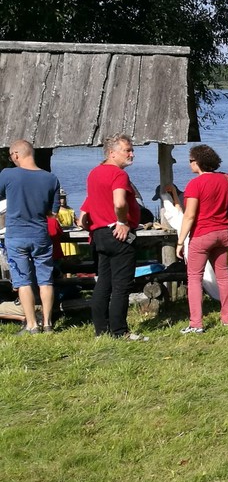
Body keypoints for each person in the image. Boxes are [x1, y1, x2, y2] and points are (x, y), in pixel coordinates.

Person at [175, 145, 228, 333]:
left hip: (202, 235)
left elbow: (189, 216)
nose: (190, 164)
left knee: (194, 278)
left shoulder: (194, 184)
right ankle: (226, 318)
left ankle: (196, 324)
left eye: (191, 160)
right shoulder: (225, 178)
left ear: (198, 162)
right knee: (223, 275)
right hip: (223, 233)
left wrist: (180, 241)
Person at [80, 134, 147, 340]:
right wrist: (122, 222)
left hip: (99, 234)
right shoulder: (118, 175)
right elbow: (119, 203)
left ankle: (101, 331)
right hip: (118, 233)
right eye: (127, 150)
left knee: (103, 283)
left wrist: (89, 225)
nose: (132, 154)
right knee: (121, 285)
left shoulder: (93, 173)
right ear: (112, 153)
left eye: (131, 150)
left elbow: (83, 215)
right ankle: (119, 331)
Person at [0, 140, 61, 333]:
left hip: (16, 234)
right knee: (45, 279)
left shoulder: (8, 174)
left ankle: (32, 324)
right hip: (40, 233)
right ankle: (48, 323)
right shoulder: (51, 178)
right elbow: (53, 212)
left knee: (22, 280)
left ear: (16, 155)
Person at [56, 190, 79, 257]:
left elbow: (76, 221)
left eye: (63, 198)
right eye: (60, 198)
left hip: (71, 232)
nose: (62, 200)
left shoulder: (70, 209)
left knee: (72, 254)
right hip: (62, 233)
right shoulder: (56, 211)